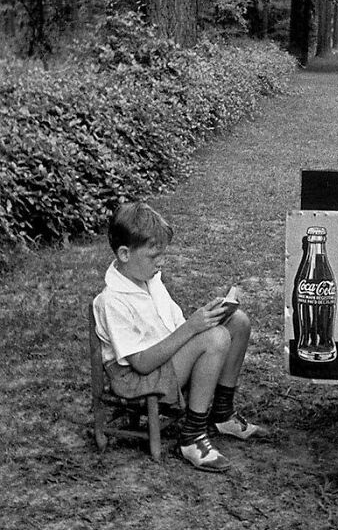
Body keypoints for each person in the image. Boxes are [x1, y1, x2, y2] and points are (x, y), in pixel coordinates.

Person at [93, 200, 262, 473]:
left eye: (162, 254)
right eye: (152, 256)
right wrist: (194, 328)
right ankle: (192, 437)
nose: (160, 262)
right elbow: (141, 363)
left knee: (237, 322)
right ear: (124, 254)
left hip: (164, 361)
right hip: (139, 379)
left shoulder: (150, 280)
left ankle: (222, 413)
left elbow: (175, 328)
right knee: (216, 338)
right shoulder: (112, 300)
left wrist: (208, 316)